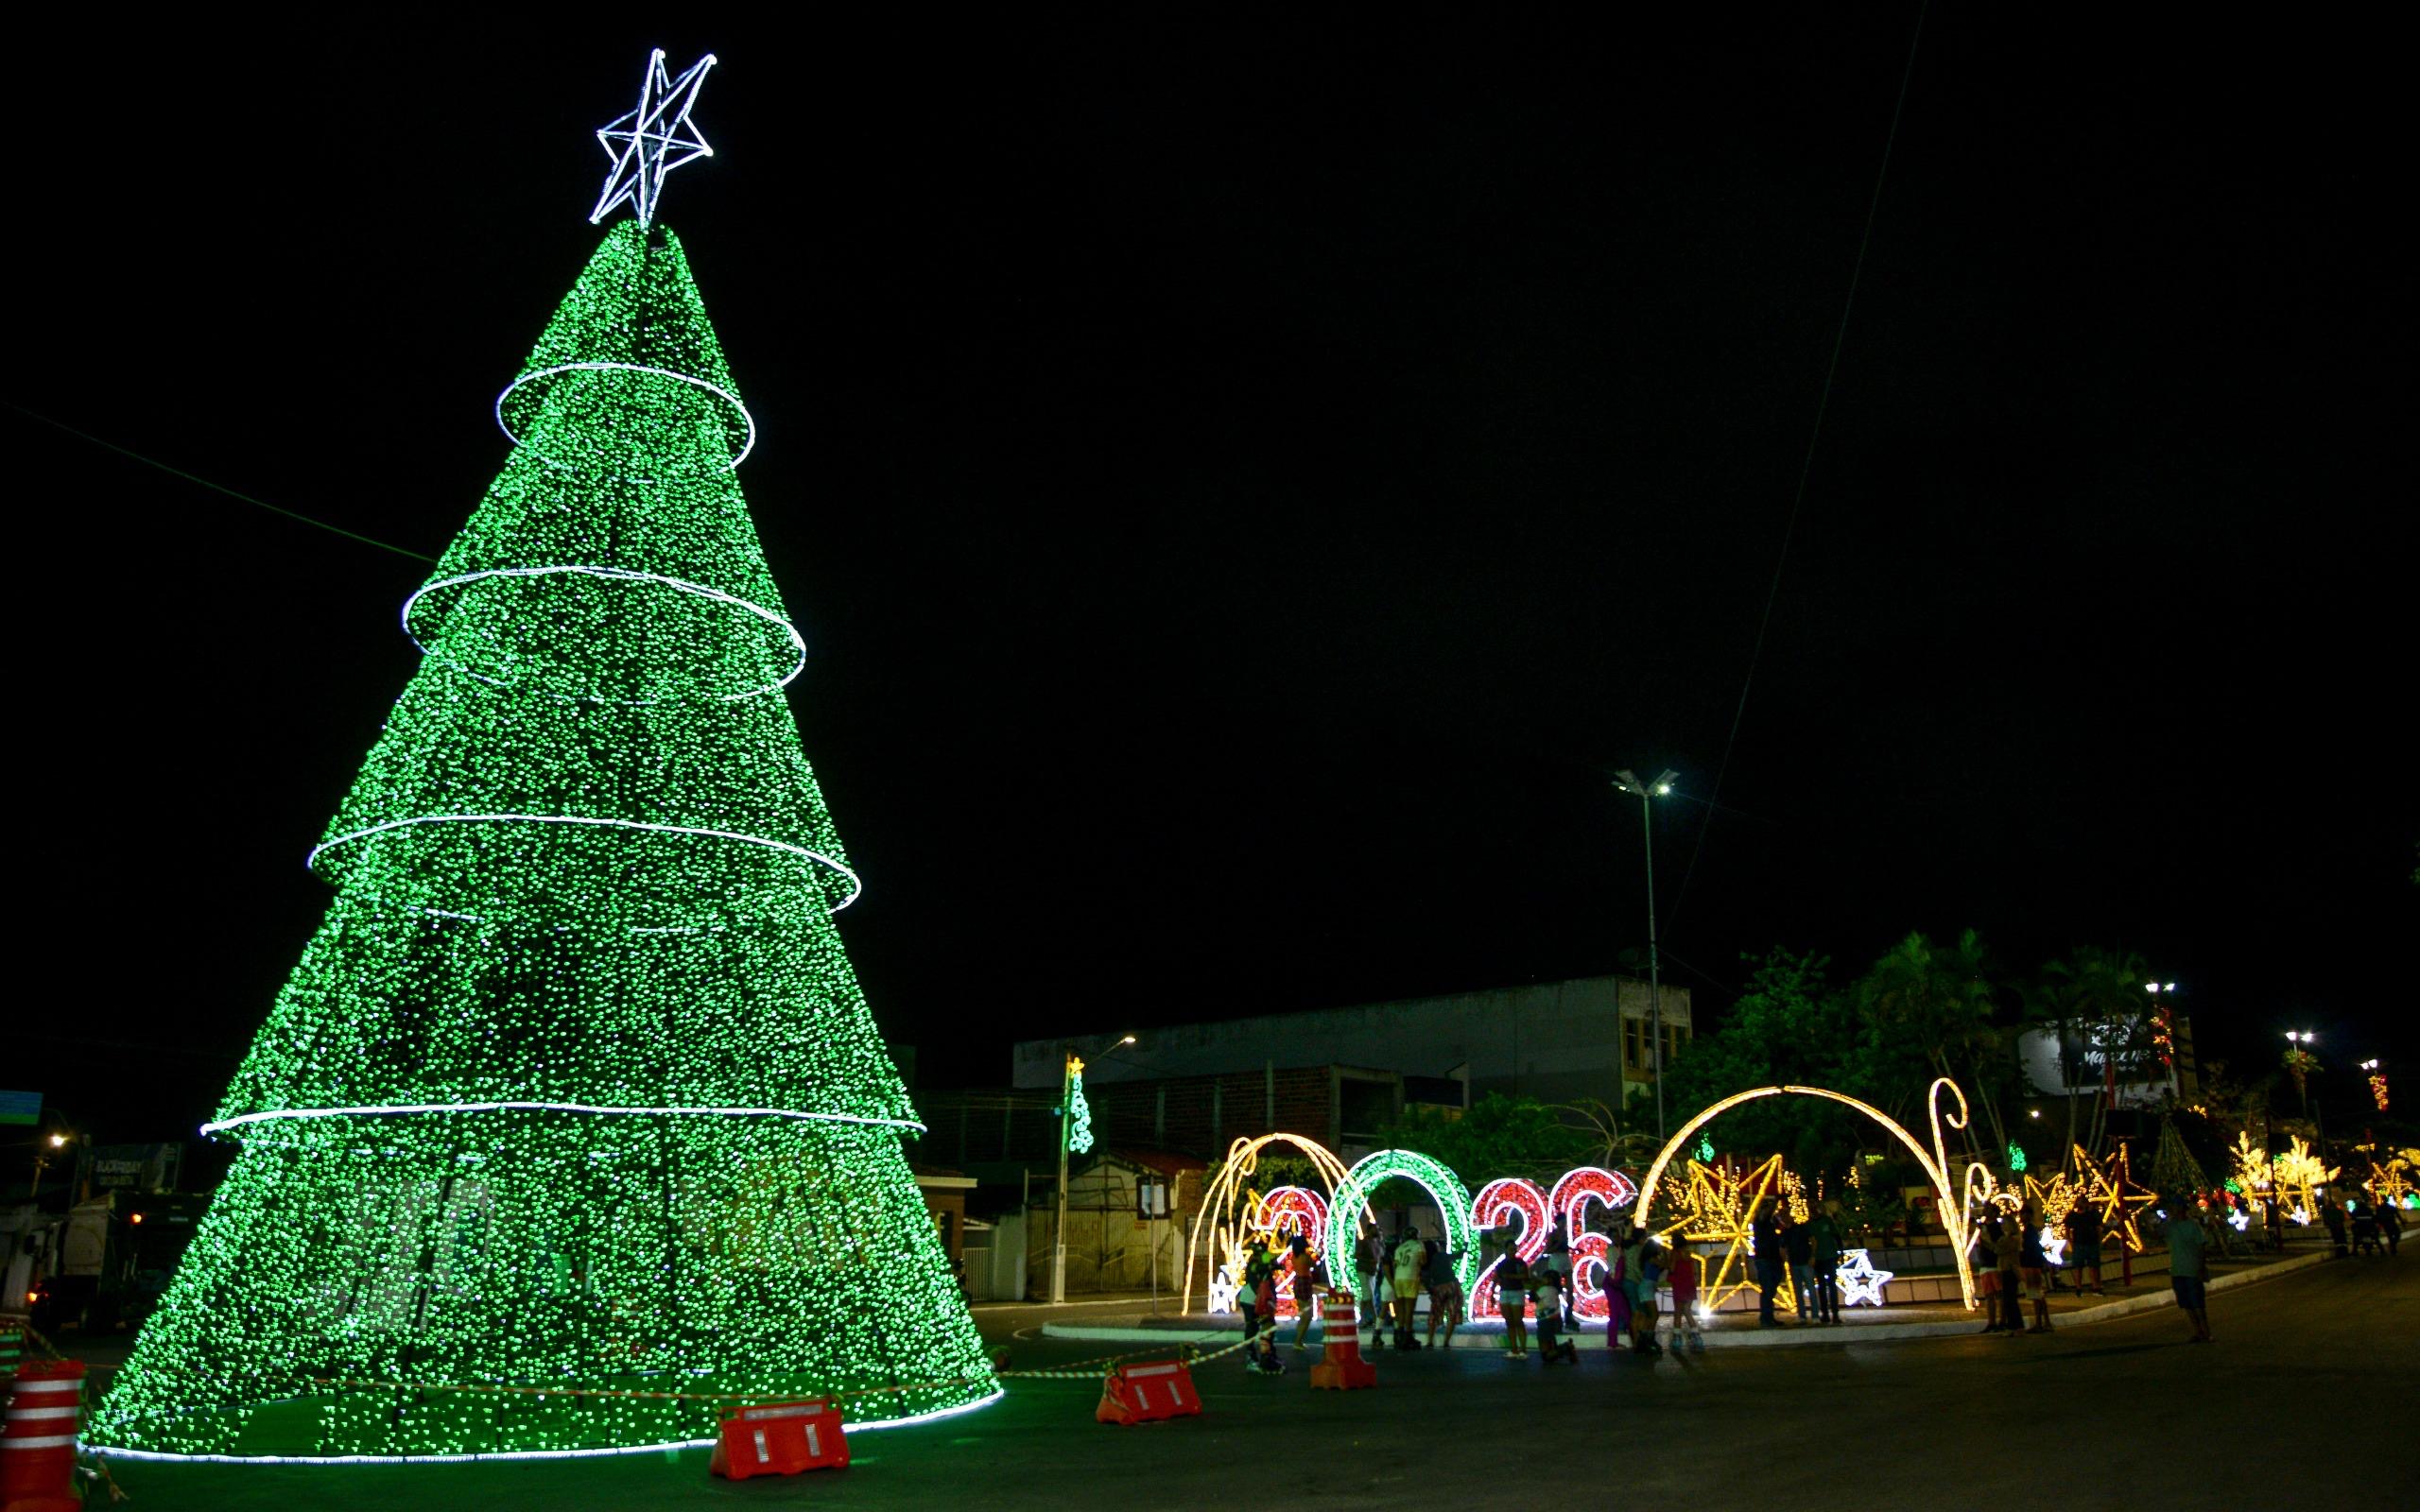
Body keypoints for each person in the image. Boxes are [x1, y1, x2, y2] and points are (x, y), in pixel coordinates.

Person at [2164, 1200, 2212, 1343]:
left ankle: (2206, 1332)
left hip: (2192, 1270)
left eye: (2176, 1208)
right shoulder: (2170, 1226)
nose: (2174, 1211)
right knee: (2187, 1304)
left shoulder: (2193, 1225)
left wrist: (2201, 1267)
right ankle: (2198, 1332)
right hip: (2177, 1271)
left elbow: (2202, 1246)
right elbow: (2155, 1234)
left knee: (2197, 1304)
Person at [1621, 1225, 1662, 1355]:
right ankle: (1639, 1342)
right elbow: (1637, 1268)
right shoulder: (1637, 1249)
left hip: (1627, 1281)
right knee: (1639, 1313)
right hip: (1634, 1282)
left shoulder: (1627, 1247)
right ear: (1640, 1238)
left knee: (1638, 1312)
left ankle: (1638, 1342)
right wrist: (1642, 1280)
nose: (1645, 1240)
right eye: (1644, 1237)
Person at [1531, 1253, 1578, 1363]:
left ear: (1549, 1280)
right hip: (1553, 1319)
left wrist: (1535, 1283)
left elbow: (1533, 1298)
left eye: (1544, 1277)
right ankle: (1566, 1348)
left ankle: (1567, 1348)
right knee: (1550, 1345)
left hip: (1544, 1321)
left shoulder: (1545, 1290)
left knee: (1545, 1354)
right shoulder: (1554, 1290)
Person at [1423, 1238, 1464, 1349]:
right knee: (1452, 1314)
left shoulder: (1425, 1261)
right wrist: (1464, 1248)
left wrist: (1431, 1290)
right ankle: (1446, 1342)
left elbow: (1425, 1279)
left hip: (1437, 1288)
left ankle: (1430, 1341)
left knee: (1434, 1314)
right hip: (1452, 1286)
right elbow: (1457, 1256)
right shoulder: (1442, 1255)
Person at [1391, 1226, 1428, 1349]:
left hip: (1398, 1278)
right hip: (1410, 1277)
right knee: (1409, 1309)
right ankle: (1408, 1334)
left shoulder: (1400, 1248)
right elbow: (1423, 1261)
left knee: (1400, 1308)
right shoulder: (1418, 1245)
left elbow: (1395, 1264)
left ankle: (1399, 1332)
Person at [1808, 1200, 1844, 1325]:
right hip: (1818, 1258)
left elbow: (1836, 1236)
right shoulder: (1809, 1224)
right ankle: (1825, 1313)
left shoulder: (1827, 1221)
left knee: (1832, 1286)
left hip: (1830, 1256)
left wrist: (1840, 1252)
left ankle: (1835, 1313)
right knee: (1822, 1287)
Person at [2019, 1206, 2053, 1333]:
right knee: (2039, 1296)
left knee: (2037, 1295)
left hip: (2032, 1266)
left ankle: (2041, 1323)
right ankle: (2045, 1322)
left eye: (2023, 1214)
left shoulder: (2030, 1231)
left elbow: (2033, 1249)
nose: (2021, 1217)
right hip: (2033, 1265)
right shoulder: (2028, 1230)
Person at [1666, 1235, 1703, 1350]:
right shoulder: (1688, 1253)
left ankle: (1677, 1340)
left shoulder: (1675, 1253)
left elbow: (1672, 1268)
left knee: (1678, 1312)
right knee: (1687, 1311)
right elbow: (1693, 1270)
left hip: (1679, 1284)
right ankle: (1697, 1338)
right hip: (1689, 1284)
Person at [1496, 1245, 1531, 1359]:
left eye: (1514, 1249)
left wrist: (1510, 1276)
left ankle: (1523, 1349)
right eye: (1510, 1249)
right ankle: (1514, 1349)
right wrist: (1493, 1291)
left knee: (1518, 1321)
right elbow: (1497, 1278)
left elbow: (1525, 1276)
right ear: (1506, 1250)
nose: (1512, 1251)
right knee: (1509, 1322)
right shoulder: (1501, 1264)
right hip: (1505, 1292)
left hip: (1517, 1292)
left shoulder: (1520, 1262)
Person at [1752, 1207, 1784, 1327]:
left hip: (1774, 1259)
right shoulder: (1759, 1223)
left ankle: (1769, 1317)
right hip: (1764, 1260)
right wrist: (1774, 1203)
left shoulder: (1770, 1224)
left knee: (1771, 1289)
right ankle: (1766, 1318)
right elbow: (1768, 1213)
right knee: (1768, 1289)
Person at [1287, 1232, 1320, 1349]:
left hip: (1298, 1282)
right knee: (1308, 1315)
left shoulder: (1294, 1256)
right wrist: (1316, 1253)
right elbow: (1315, 1266)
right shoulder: (1305, 1256)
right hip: (1305, 1282)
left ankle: (1298, 1341)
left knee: (1303, 1314)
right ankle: (1298, 1340)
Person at [1782, 1210, 1814, 1322]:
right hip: (1794, 1263)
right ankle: (1802, 1316)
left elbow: (1812, 1240)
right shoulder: (1785, 1232)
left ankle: (1815, 1315)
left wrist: (1812, 1256)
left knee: (1810, 1289)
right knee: (1799, 1291)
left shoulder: (1801, 1228)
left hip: (1804, 1262)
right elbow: (1784, 1248)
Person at [2066, 1202, 2104, 1295]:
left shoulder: (2092, 1214)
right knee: (2078, 1267)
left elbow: (2098, 1227)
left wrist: (2098, 1240)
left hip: (2091, 1243)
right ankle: (2079, 1288)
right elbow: (2067, 1228)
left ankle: (2095, 1286)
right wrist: (2071, 1241)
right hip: (2079, 1244)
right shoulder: (2072, 1215)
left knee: (2093, 1266)